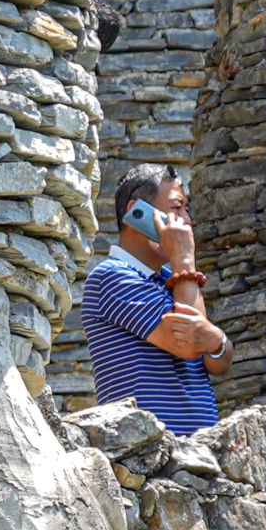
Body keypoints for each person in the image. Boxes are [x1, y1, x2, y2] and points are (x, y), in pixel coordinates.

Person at [76, 165, 228, 435]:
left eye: (186, 211)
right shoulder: (110, 277)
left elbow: (219, 362)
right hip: (149, 451)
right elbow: (190, 344)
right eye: (177, 208)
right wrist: (183, 258)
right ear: (137, 213)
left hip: (196, 452)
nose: (187, 222)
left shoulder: (178, 281)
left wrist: (218, 341)